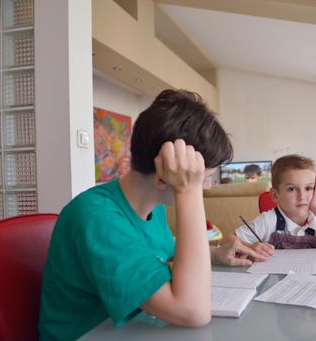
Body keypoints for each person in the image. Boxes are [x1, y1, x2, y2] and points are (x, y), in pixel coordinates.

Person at [38, 89, 267, 340]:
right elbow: (192, 312)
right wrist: (188, 191)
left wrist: (216, 254)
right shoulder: (96, 217)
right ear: (163, 177)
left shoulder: (153, 207)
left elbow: (164, 247)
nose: (208, 187)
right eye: (205, 178)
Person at [228, 154, 316, 255]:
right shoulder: (267, 220)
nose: (302, 197)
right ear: (275, 195)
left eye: (308, 188)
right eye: (292, 189)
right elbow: (228, 239)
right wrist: (250, 246)